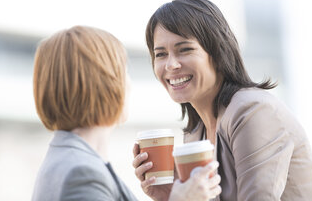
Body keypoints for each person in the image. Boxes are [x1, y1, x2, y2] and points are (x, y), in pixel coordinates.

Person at [133, 0, 312, 200]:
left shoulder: (253, 112)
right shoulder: (197, 133)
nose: (171, 65)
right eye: (160, 54)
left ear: (217, 52)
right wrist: (170, 195)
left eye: (184, 50)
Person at [31, 25, 222, 201]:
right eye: (122, 72)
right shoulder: (82, 173)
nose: (128, 84)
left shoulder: (70, 159)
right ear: (103, 83)